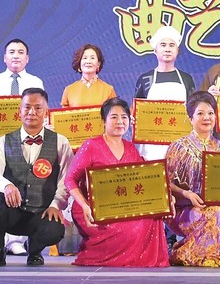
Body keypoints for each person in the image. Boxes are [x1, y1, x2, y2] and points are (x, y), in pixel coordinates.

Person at [66, 97, 170, 267]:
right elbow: (70, 180)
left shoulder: (130, 148)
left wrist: (165, 197)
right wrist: (85, 205)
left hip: (124, 206)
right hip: (92, 208)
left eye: (124, 117)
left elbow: (145, 180)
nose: (120, 121)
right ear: (103, 121)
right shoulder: (91, 145)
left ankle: (140, 260)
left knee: (152, 217)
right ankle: (103, 256)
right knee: (127, 228)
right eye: (114, 117)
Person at [0, 88, 73, 266]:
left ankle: (34, 250)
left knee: (55, 230)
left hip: (41, 211)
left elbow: (66, 178)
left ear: (46, 112)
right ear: (19, 111)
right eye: (27, 107)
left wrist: (56, 205)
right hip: (11, 212)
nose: (32, 112)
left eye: (38, 108)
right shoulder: (4, 141)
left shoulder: (60, 142)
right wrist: (6, 185)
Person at [165, 91, 220, 266]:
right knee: (216, 215)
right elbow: (166, 183)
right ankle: (187, 255)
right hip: (184, 211)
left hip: (216, 208)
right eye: (200, 113)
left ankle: (218, 258)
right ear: (190, 118)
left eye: (210, 113)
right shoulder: (178, 147)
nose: (206, 118)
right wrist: (187, 194)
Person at [0, 38, 45, 256]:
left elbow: (41, 111)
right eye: (11, 52)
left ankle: (16, 240)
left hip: (27, 144)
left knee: (23, 188)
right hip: (1, 145)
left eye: (20, 52)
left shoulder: (35, 81)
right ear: (4, 57)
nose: (16, 55)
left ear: (27, 58)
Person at [133, 25, 196, 160]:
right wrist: (132, 118)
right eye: (163, 45)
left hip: (181, 145)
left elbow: (194, 109)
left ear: (177, 51)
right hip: (151, 147)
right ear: (155, 50)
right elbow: (136, 110)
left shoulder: (186, 79)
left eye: (172, 45)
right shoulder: (145, 79)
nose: (167, 49)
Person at [61, 44, 117, 108]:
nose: (88, 61)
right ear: (79, 63)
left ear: (98, 64)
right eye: (85, 58)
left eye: (92, 58)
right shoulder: (69, 90)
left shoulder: (108, 90)